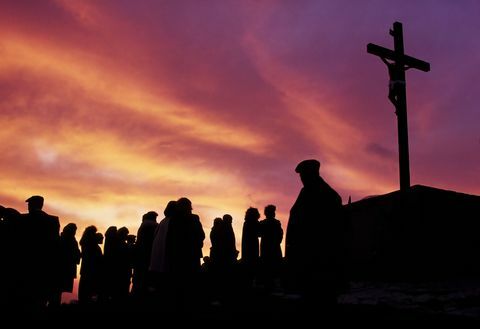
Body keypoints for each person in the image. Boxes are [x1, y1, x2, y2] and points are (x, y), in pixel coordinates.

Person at [285, 159, 344, 307]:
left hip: (318, 258)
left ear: (311, 174)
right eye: (301, 176)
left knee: (320, 299)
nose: (301, 179)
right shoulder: (308, 192)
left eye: (303, 175)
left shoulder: (325, 194)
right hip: (308, 258)